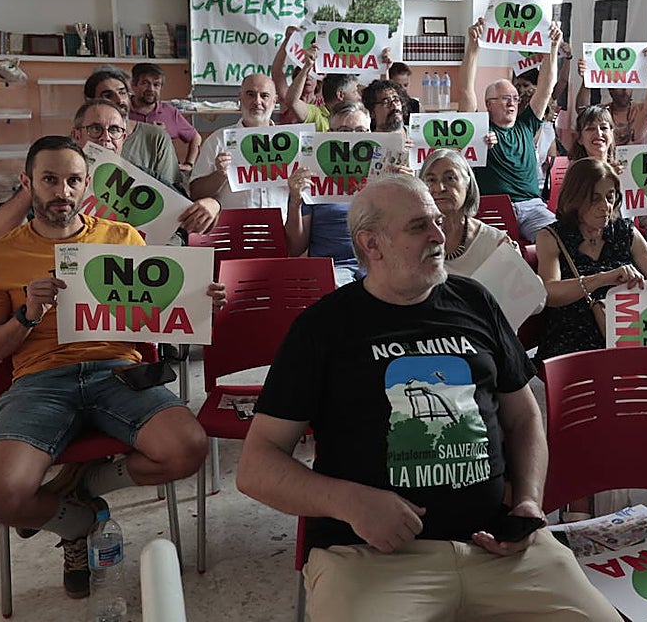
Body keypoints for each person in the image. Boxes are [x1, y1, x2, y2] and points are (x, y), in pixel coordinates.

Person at [235, 174, 621, 622]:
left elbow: (524, 418)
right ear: (371, 244)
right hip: (373, 560)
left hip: (503, 547)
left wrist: (529, 502)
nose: (440, 235)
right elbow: (256, 466)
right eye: (420, 226)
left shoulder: (475, 302)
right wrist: (351, 503)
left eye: (438, 221)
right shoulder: (323, 328)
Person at [0, 136, 221, 600]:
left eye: (73, 180)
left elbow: (159, 310)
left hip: (118, 371)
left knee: (187, 448)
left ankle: (84, 485)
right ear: (27, 184)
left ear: (87, 186)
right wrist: (26, 316)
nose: (62, 191)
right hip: (40, 381)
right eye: (49, 180)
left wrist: (200, 300)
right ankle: (78, 521)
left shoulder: (121, 237)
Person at [0, 99, 220, 242]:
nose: (106, 137)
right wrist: (39, 181)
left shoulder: (146, 179)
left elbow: (192, 214)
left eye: (115, 130)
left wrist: (213, 204)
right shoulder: (59, 186)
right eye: (95, 129)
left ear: (123, 138)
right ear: (77, 135)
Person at [535, 157, 647, 362]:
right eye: (594, 199)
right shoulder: (552, 236)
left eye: (610, 197)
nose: (605, 206)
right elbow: (549, 292)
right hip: (571, 339)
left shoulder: (626, 233)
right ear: (575, 199)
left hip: (629, 335)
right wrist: (601, 279)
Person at [454, 17, 562, 242]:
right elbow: (465, 90)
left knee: (558, 241)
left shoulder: (526, 124)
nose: (513, 103)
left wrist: (552, 47)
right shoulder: (478, 129)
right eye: (505, 98)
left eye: (515, 97)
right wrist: (473, 47)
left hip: (533, 208)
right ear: (489, 103)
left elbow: (546, 87)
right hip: (491, 209)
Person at [284, 101, 372, 285]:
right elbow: (295, 248)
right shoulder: (311, 175)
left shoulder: (385, 174)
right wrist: (295, 201)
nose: (353, 139)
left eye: (361, 132)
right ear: (329, 135)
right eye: (344, 132)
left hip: (378, 265)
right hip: (333, 268)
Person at [189, 73, 290, 217]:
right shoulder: (218, 140)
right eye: (250, 94)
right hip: (234, 233)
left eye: (264, 95)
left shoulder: (291, 143)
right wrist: (219, 175)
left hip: (280, 232)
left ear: (274, 101)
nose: (257, 101)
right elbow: (195, 193)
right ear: (240, 98)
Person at [420, 148, 517, 277]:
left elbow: (525, 293)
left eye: (450, 178)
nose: (440, 188)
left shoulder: (494, 242)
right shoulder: (410, 239)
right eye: (431, 180)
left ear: (468, 183)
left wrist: (513, 260)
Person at [84, 66, 180, 188]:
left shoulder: (156, 138)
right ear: (90, 101)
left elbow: (171, 193)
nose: (119, 100)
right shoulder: (81, 138)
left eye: (122, 93)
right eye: (108, 95)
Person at [271, 25, 362, 128]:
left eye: (312, 74)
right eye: (304, 75)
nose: (308, 77)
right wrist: (288, 40)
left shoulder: (324, 100)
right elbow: (277, 72)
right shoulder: (287, 96)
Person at [572, 48, 647, 147]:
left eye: (628, 85)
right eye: (619, 85)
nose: (625, 89)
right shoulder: (603, 111)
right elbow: (582, 110)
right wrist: (586, 80)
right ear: (610, 89)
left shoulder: (642, 109)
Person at [129, 62, 202, 174]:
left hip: (165, 175)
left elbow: (195, 137)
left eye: (156, 85)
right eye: (145, 83)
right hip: (130, 173)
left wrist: (189, 164)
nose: (151, 89)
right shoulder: (122, 110)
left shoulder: (170, 112)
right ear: (133, 85)